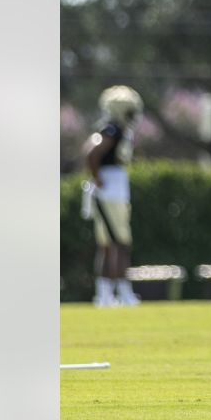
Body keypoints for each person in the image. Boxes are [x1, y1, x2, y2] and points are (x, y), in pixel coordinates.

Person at [82, 85, 144, 307]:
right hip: (111, 191)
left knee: (109, 244)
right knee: (119, 243)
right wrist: (97, 176)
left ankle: (105, 294)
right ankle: (120, 292)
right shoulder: (112, 130)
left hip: (111, 190)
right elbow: (91, 152)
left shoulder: (114, 129)